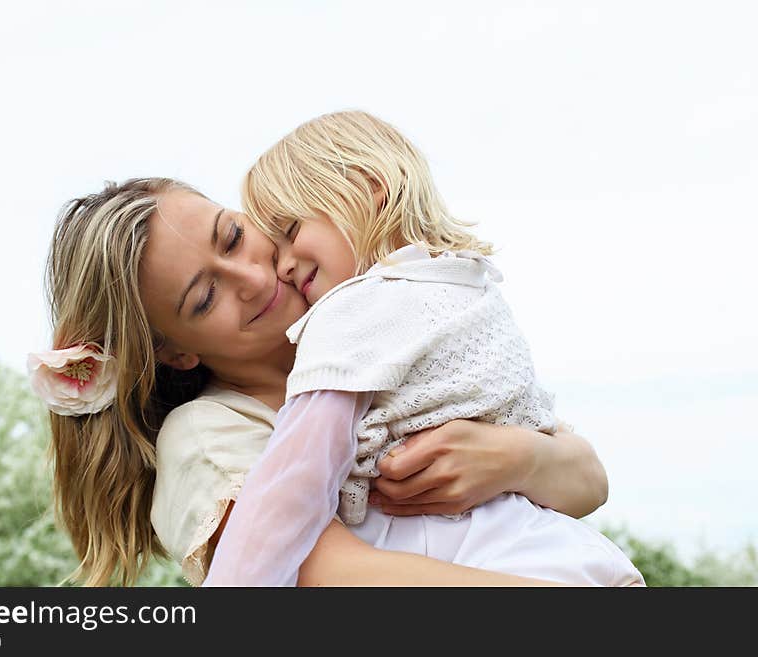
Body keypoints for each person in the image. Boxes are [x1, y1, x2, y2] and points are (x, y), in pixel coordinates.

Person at [30, 176, 613, 587]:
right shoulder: (209, 437)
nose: (253, 277)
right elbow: (336, 579)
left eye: (233, 236)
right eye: (205, 298)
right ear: (174, 351)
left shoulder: (371, 323)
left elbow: (588, 482)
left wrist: (515, 460)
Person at [200, 110, 644, 587]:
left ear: (369, 186)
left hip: (492, 563)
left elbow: (294, 480)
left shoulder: (353, 310)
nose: (283, 266)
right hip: (562, 552)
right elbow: (561, 450)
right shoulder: (466, 284)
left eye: (290, 232)